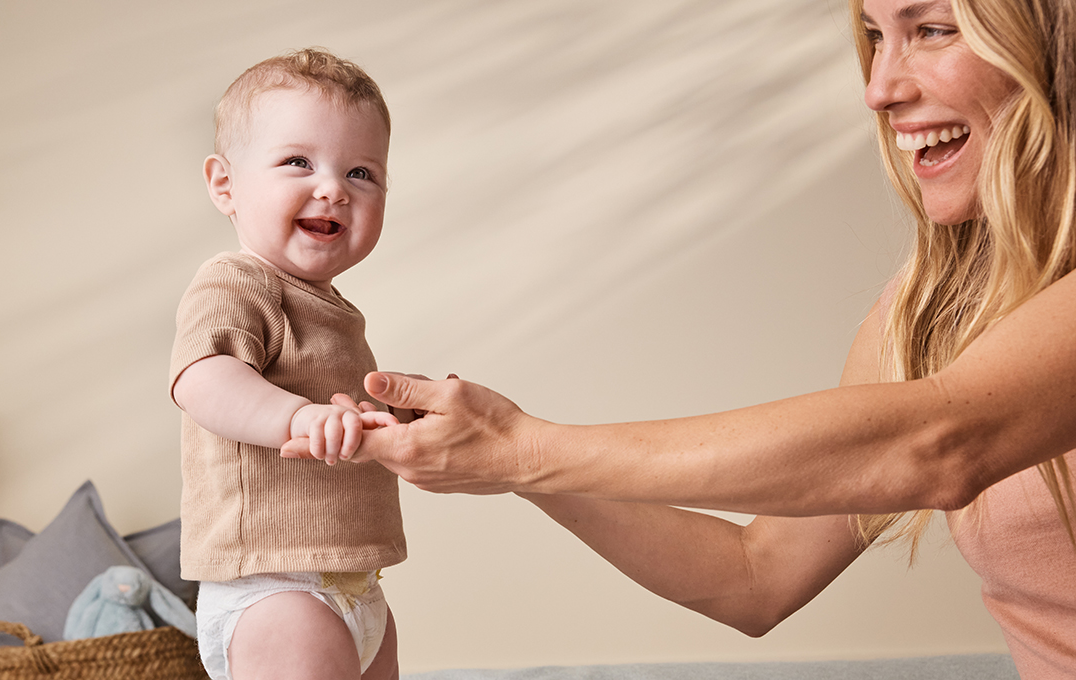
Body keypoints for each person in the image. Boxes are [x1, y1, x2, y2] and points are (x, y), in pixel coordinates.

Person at [282, 0, 1076, 677]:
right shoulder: (934, 309)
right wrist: (511, 463)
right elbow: (754, 578)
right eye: (874, 35)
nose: (878, 87)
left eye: (932, 29)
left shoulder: (951, 398)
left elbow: (939, 444)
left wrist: (527, 446)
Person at [170, 48, 407, 680]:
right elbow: (203, 379)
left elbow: (338, 414)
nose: (332, 187)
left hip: (356, 581)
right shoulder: (236, 282)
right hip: (272, 586)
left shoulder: (333, 308)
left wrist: (397, 415)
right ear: (226, 184)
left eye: (362, 172)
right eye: (298, 162)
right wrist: (297, 417)